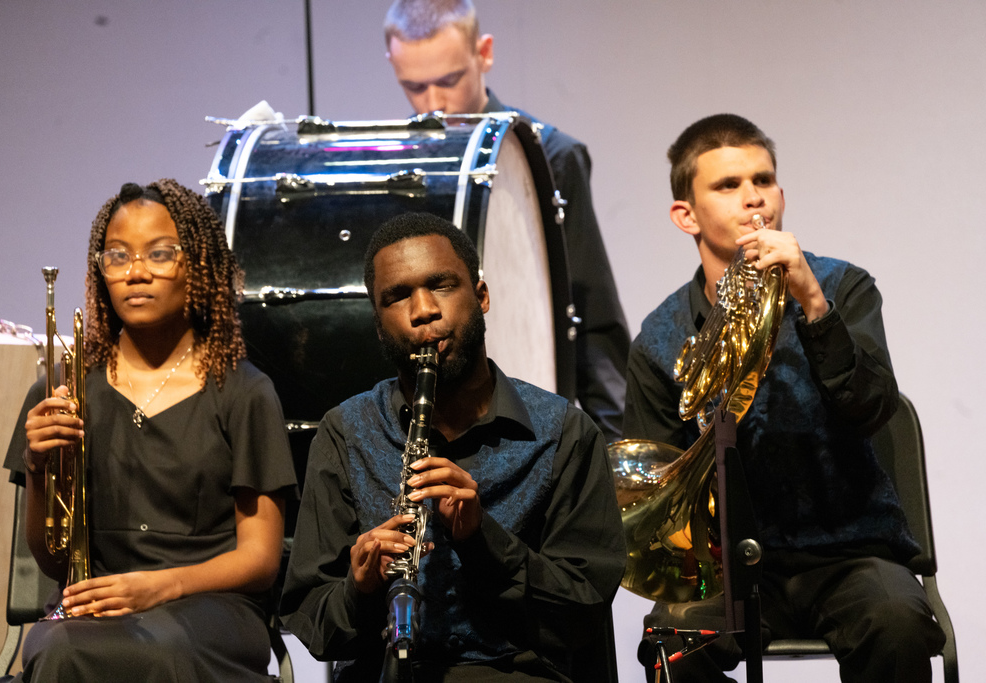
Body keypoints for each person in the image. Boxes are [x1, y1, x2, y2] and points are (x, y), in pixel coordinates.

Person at [624, 114, 946, 682]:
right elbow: (655, 481)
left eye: (763, 180)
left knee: (897, 624)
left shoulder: (845, 288)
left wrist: (814, 306)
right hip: (728, 567)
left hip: (851, 552)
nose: (754, 199)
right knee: (672, 648)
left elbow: (872, 408)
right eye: (728, 186)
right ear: (686, 216)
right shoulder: (660, 337)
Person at [280, 211, 625, 682]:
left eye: (441, 285)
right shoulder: (346, 433)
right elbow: (315, 627)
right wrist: (359, 589)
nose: (423, 310)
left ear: (481, 297)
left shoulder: (564, 433)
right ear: (379, 325)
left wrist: (484, 539)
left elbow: (584, 611)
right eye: (397, 297)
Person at [2, 179, 297, 681]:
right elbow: (52, 564)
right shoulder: (62, 389)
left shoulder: (244, 392)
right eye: (117, 257)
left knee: (161, 653)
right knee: (57, 651)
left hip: (212, 606)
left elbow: (261, 558)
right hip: (96, 598)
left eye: (159, 254)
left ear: (198, 265)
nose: (135, 273)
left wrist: (160, 587)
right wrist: (37, 466)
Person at [382, 0, 630, 442]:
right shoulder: (394, 170)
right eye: (414, 86)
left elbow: (593, 317)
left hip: (525, 425)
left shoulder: (552, 157)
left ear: (485, 53)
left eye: (449, 80)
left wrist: (613, 449)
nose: (434, 104)